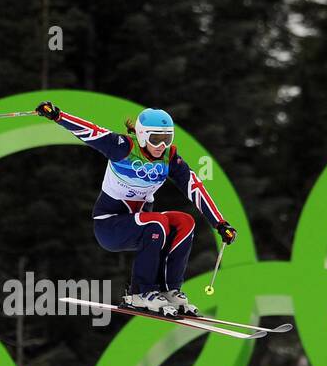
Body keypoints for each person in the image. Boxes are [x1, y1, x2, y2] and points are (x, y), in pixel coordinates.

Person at [35, 100, 236, 317]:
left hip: (142, 225)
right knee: (156, 221)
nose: (161, 145)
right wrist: (57, 116)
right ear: (141, 135)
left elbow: (195, 187)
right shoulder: (123, 147)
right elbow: (91, 132)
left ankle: (170, 290)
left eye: (167, 139)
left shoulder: (169, 158)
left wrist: (220, 223)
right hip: (109, 226)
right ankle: (141, 293)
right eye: (155, 139)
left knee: (185, 222)